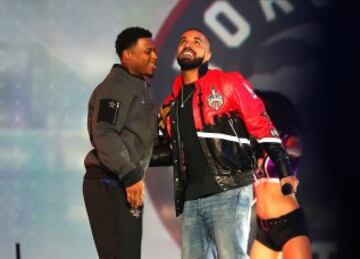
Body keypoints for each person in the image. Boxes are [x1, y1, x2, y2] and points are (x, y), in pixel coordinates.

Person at [151, 28, 297, 259]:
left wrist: (285, 169)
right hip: (191, 199)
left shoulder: (228, 83)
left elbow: (261, 125)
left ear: (208, 55)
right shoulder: (171, 104)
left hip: (229, 189)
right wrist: (127, 161)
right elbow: (170, 150)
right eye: (183, 41)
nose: (188, 44)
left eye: (197, 41)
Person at [83, 27, 158, 259]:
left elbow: (136, 143)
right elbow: (104, 132)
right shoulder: (116, 87)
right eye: (148, 51)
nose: (154, 56)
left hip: (123, 182)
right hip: (109, 182)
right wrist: (129, 174)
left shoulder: (138, 88)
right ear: (127, 55)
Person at [250, 90, 312, 259]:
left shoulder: (289, 141)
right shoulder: (256, 150)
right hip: (263, 229)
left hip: (289, 225)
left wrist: (273, 142)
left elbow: (296, 148)